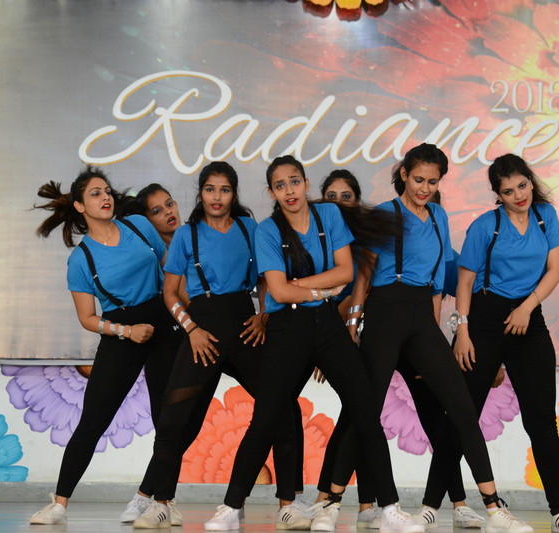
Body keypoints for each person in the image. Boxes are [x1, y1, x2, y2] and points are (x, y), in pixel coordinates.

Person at [204, 155, 423, 533]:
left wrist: (299, 287)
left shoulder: (329, 216)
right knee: (266, 417)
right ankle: (231, 507)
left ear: (306, 184)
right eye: (280, 185)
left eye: (294, 181)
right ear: (271, 192)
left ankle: (389, 509)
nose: (289, 190)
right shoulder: (267, 230)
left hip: (327, 326)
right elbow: (277, 291)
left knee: (365, 411)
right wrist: (321, 289)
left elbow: (345, 271)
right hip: (286, 330)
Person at [319, 144, 532, 533]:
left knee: (463, 409)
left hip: (421, 317)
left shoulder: (439, 216)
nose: (425, 188)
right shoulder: (385, 214)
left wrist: (430, 341)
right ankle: (330, 503)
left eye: (433, 182)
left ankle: (493, 508)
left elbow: (436, 284)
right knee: (365, 410)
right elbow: (364, 275)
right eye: (419, 179)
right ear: (404, 174)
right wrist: (352, 322)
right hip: (385, 312)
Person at [131, 161, 309, 529]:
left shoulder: (249, 228)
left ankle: (289, 503)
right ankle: (161, 503)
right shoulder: (187, 235)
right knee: (171, 420)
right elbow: (169, 293)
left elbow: (266, 280)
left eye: (224, 190)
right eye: (210, 189)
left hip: (244, 329)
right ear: (200, 193)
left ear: (234, 194)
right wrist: (192, 329)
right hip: (204, 334)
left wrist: (264, 315)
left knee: (283, 407)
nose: (217, 197)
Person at [427, 154, 559, 533]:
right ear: (497, 195)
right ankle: (429, 507)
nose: (518, 195)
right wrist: (462, 331)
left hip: (528, 318)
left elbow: (556, 269)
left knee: (542, 422)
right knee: (462, 418)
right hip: (483, 320)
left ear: (530, 181)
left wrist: (527, 308)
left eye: (522, 185)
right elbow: (465, 281)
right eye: (508, 191)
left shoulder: (546, 216)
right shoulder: (486, 226)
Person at [29, 167, 183, 525]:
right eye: (95, 193)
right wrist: (126, 332)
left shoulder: (139, 226)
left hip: (164, 323)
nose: (105, 197)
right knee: (93, 421)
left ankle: (164, 501)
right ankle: (59, 504)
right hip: (122, 332)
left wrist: (190, 319)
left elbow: (171, 274)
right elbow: (87, 318)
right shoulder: (80, 259)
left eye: (107, 191)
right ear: (80, 206)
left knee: (168, 420)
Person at [113, 183, 195, 524]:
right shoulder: (148, 255)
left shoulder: (193, 240)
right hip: (164, 342)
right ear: (146, 221)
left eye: (170, 204)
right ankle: (157, 498)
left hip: (198, 338)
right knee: (167, 425)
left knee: (188, 425)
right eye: (157, 211)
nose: (168, 213)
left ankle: (148, 494)